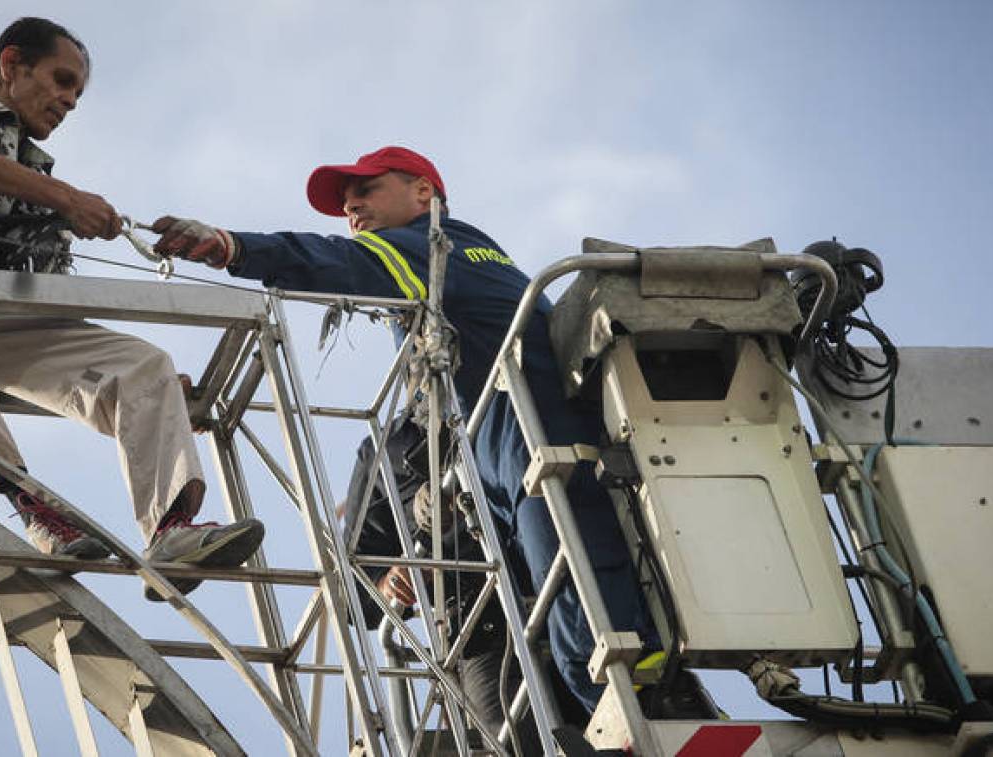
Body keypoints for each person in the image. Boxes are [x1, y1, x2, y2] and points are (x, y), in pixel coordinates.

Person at [149, 145, 660, 714]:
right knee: (558, 638)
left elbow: (339, 261)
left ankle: (645, 700)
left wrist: (233, 248)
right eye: (346, 202)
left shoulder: (441, 249)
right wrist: (413, 555)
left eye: (366, 191)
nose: (352, 208)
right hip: (497, 458)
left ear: (424, 193)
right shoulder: (434, 296)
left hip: (534, 444)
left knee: (593, 635)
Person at [0, 17, 262, 596]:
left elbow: (51, 301)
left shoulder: (39, 174)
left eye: (76, 91)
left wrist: (143, 391)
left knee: (144, 365)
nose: (69, 101)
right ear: (11, 65)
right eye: (61, 80)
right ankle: (31, 507)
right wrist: (67, 200)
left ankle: (171, 531)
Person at [339, 410, 541, 750]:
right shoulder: (382, 451)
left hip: (551, 577)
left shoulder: (498, 395)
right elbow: (354, 594)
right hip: (477, 624)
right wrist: (389, 581)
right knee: (508, 740)